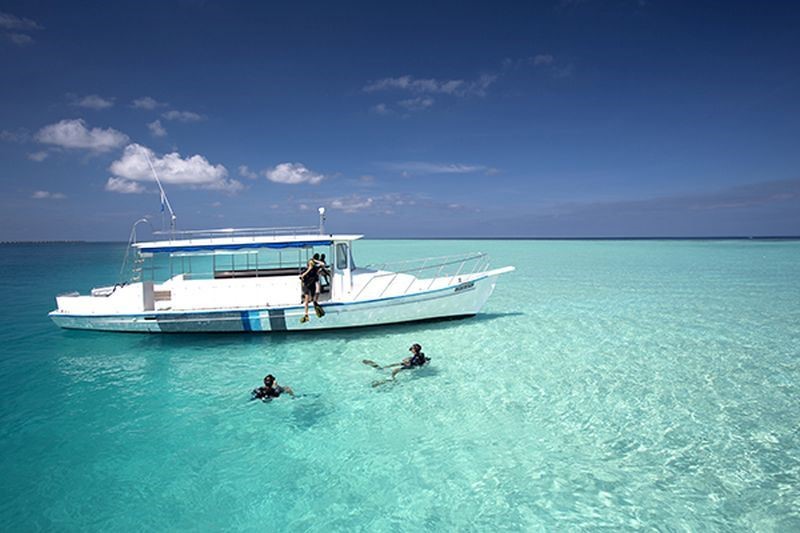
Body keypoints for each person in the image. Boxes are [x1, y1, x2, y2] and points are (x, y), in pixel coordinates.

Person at [299, 253, 324, 323]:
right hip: (306, 285)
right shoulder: (305, 270)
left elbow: (323, 264)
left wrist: (315, 260)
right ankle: (306, 314)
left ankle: (315, 305)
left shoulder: (315, 269)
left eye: (312, 264)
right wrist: (308, 270)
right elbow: (301, 276)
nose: (311, 265)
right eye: (310, 264)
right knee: (307, 299)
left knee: (313, 298)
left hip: (312, 285)